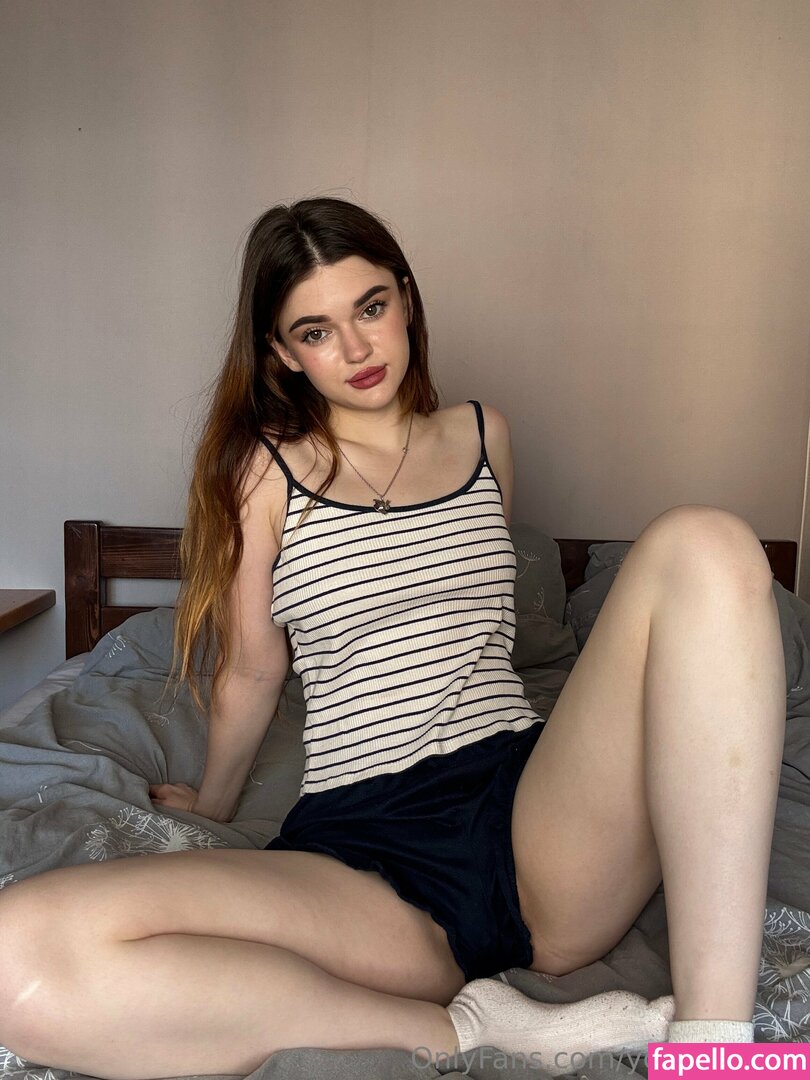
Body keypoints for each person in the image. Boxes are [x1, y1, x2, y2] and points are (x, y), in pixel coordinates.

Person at [0, 197, 786, 1079]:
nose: (356, 348)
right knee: (19, 952)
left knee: (708, 540)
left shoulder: (484, 435)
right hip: (367, 850)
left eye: (370, 307)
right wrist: (214, 809)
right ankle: (479, 1029)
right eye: (316, 331)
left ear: (405, 298)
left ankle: (717, 1050)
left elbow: (467, 612)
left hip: (535, 811)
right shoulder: (265, 470)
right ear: (282, 353)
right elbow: (253, 670)